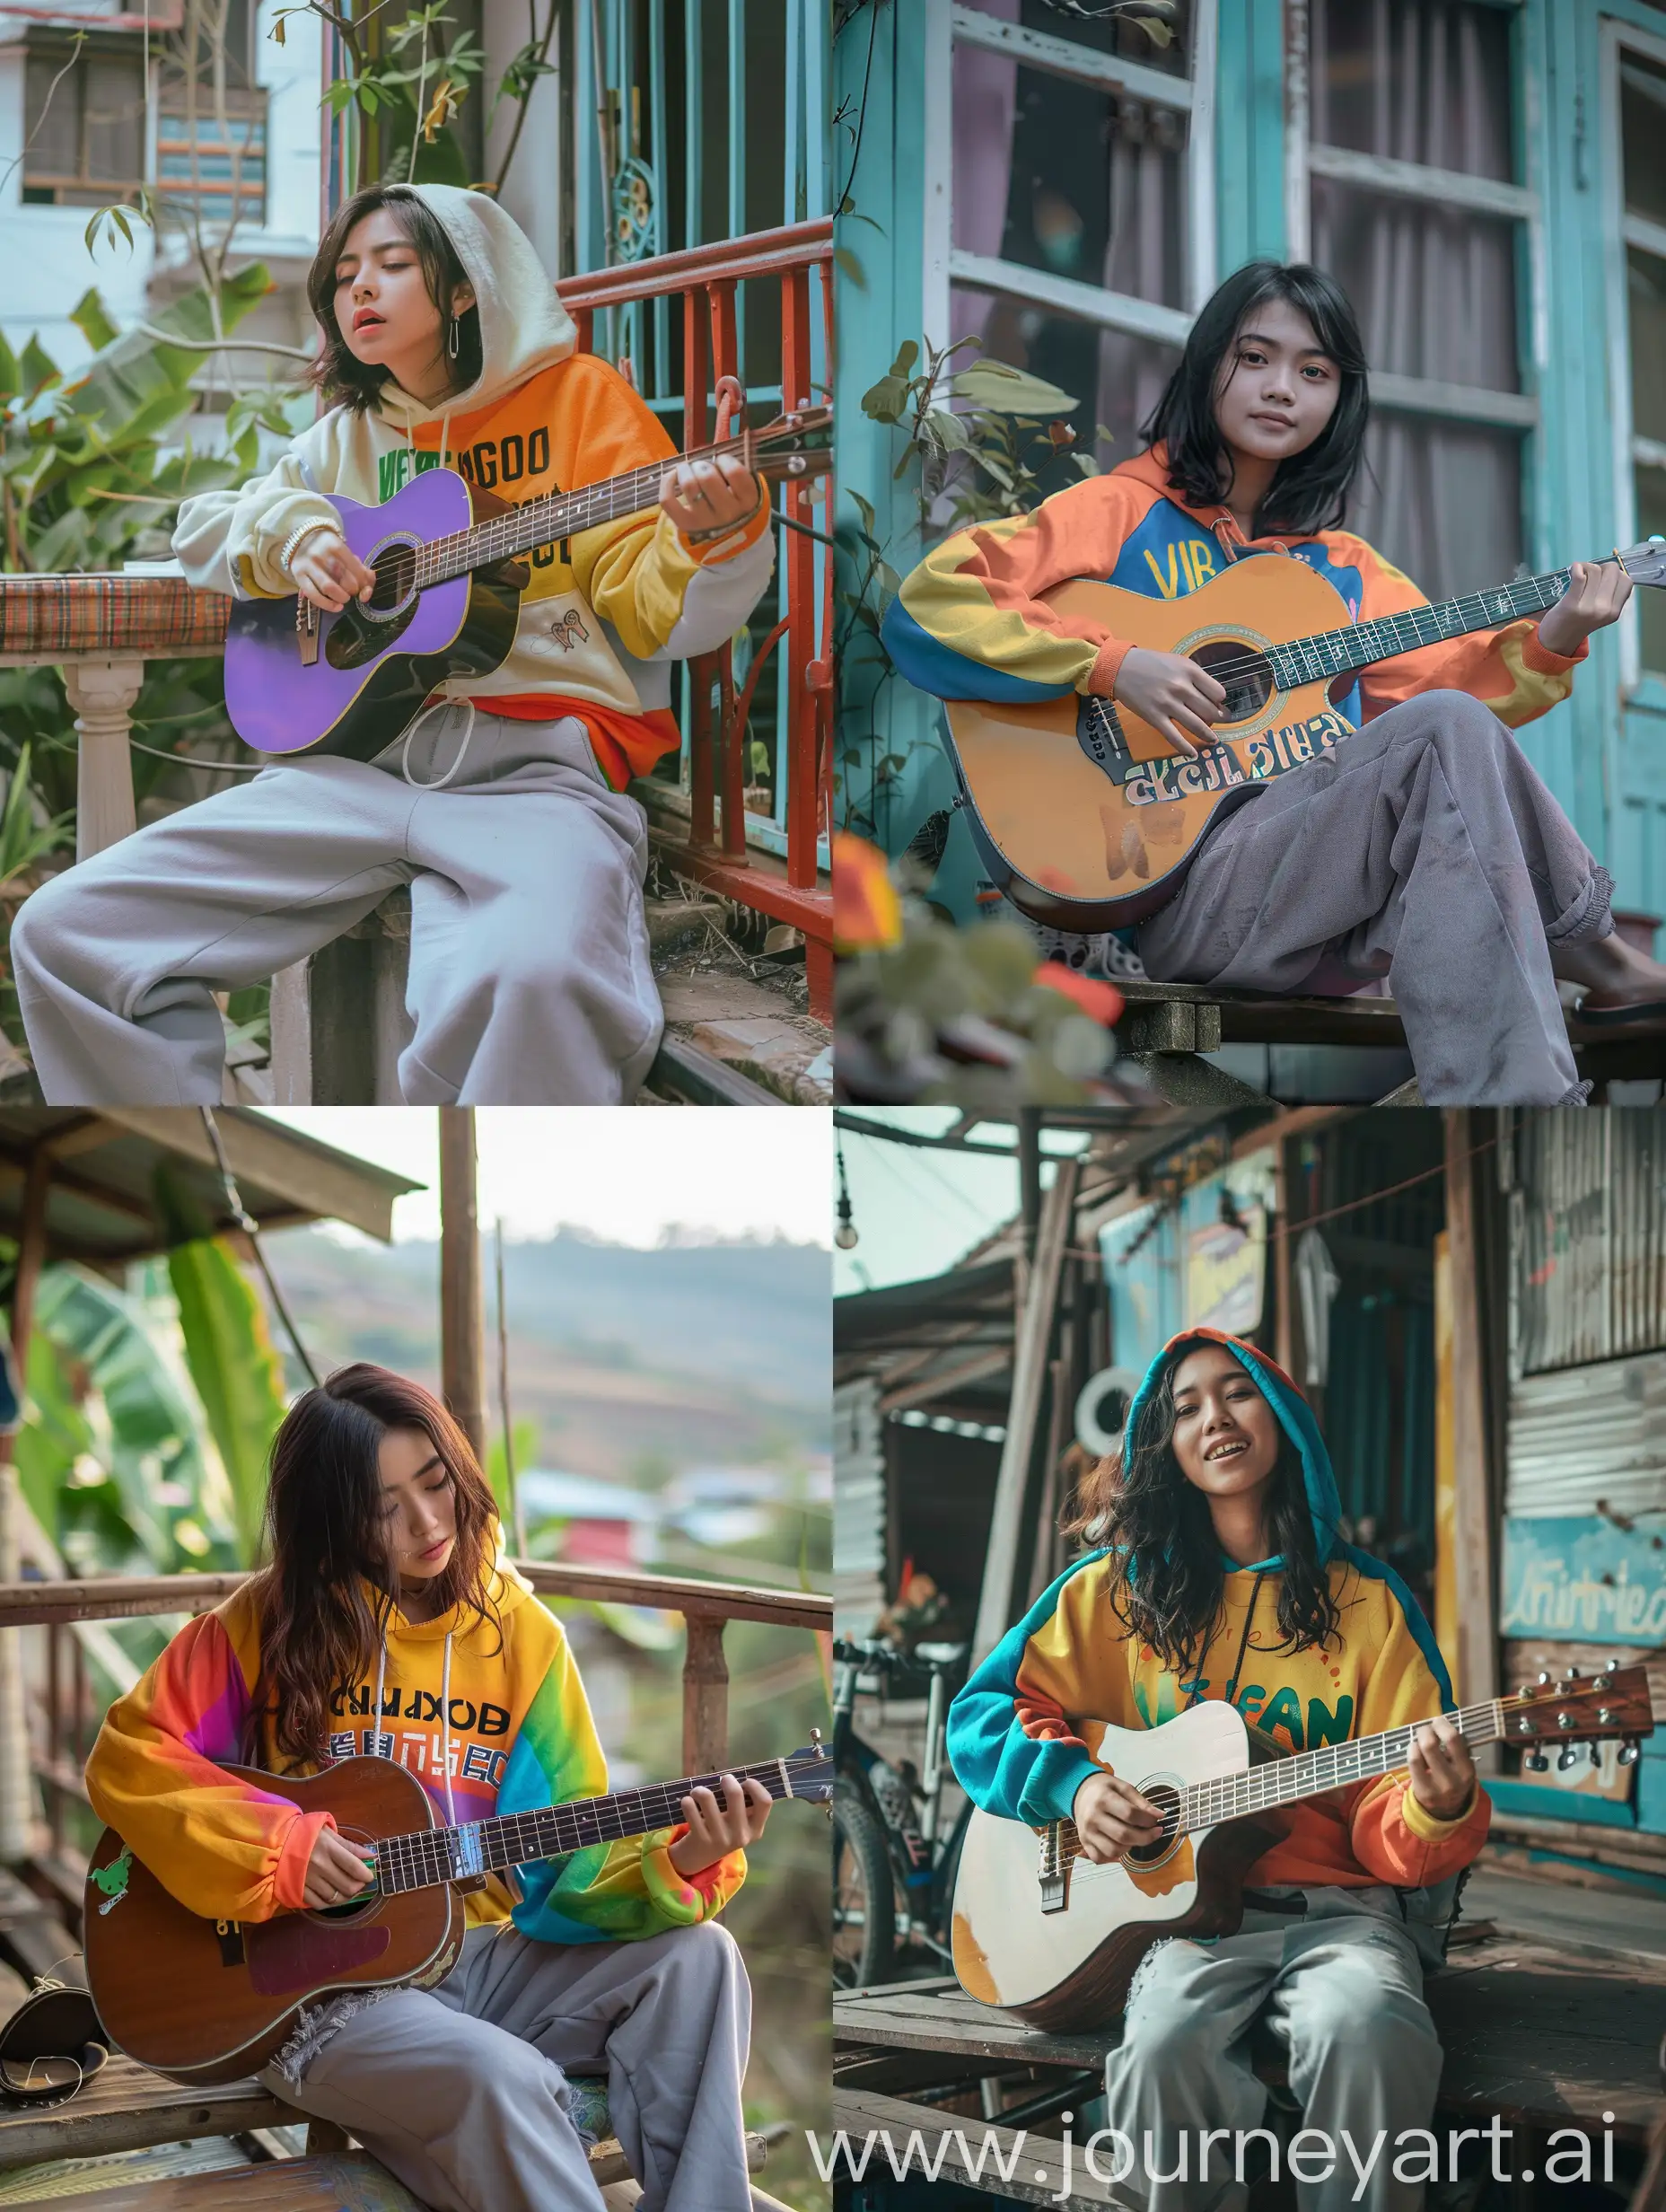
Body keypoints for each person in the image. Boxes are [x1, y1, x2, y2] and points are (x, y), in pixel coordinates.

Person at [13, 183, 775, 1106]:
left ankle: (482, 1221)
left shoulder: (581, 401)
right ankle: (192, 1193)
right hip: (349, 772)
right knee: (65, 931)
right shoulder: (342, 440)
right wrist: (293, 537)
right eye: (342, 275)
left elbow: (663, 610)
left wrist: (718, 538)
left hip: (535, 784)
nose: (358, 290)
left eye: (391, 265)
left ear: (463, 287)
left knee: (537, 979)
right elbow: (206, 526)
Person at [881, 259, 1666, 1105]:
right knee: (1446, 751)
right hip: (1167, 897)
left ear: (1340, 398)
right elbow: (933, 603)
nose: (1281, 387)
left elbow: (1453, 711)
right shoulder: (1114, 511)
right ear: (1208, 362)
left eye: (1314, 371)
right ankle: (1587, 963)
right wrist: (1114, 665)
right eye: (1254, 358)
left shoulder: (1345, 572)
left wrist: (1555, 636)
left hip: (1329, 898)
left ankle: (1510, 1103)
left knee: (1448, 742)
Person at [84, 1364, 773, 2212]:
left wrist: (683, 1858)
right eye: (384, 1509)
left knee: (702, 1959)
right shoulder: (265, 1625)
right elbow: (132, 1754)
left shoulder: (525, 1641)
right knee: (502, 2076)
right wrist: (279, 1846)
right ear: (334, 1523)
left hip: (478, 1966)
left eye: (436, 1484)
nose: (426, 1522)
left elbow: (565, 1868)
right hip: (314, 1997)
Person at [947, 1330, 1488, 2212]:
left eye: (1235, 1392)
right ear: (1162, 1445)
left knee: (1369, 2026)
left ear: (1279, 1419)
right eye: (1185, 1406)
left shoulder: (1369, 1603)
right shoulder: (1111, 1594)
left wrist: (1436, 1804)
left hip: (1340, 1912)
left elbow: (1388, 1821)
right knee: (1159, 2050)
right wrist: (1073, 1785)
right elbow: (981, 1714)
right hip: (1179, 1925)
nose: (1213, 1419)